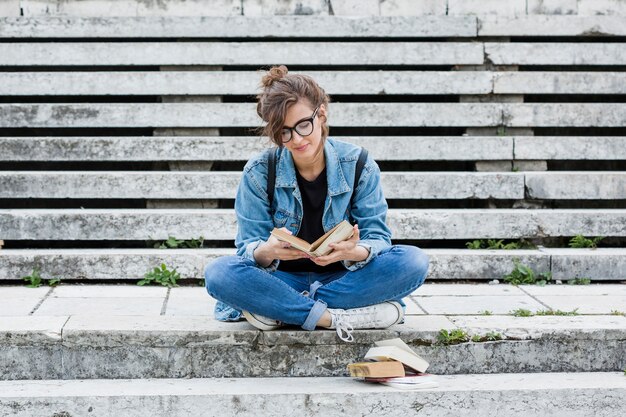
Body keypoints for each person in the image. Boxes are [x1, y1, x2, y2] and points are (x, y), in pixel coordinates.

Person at [204, 65, 429, 343]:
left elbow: (379, 238)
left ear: (321, 114)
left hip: (342, 279)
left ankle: (281, 310)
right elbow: (247, 248)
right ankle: (332, 317)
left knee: (414, 261)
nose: (296, 139)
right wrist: (268, 250)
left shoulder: (359, 164)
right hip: (281, 280)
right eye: (284, 132)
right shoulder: (259, 171)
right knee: (219, 274)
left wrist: (354, 251)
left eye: (303, 125)